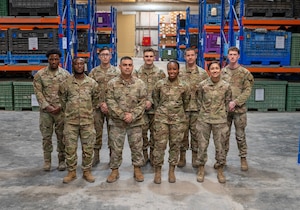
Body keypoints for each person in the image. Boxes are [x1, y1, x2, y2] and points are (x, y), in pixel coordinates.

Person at [106, 56, 147, 183]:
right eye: (125, 65)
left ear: (133, 67)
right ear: (120, 67)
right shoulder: (112, 83)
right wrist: (122, 115)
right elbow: (110, 101)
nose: (127, 67)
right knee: (116, 147)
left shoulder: (140, 83)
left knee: (136, 146)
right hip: (117, 122)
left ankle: (137, 169)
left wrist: (132, 115)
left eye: (130, 65)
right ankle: (114, 170)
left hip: (135, 122)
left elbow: (142, 102)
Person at [59, 58, 100, 183]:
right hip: (71, 122)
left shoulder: (92, 83)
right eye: (76, 64)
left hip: (87, 122)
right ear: (73, 66)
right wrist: (70, 112)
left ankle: (87, 171)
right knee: (70, 148)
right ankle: (71, 172)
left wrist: (87, 112)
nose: (79, 66)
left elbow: (96, 100)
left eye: (81, 64)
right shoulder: (66, 84)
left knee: (88, 148)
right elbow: (62, 100)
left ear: (84, 66)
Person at [152, 60, 190, 184]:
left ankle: (171, 170)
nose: (172, 71)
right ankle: (158, 171)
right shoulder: (160, 84)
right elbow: (156, 99)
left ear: (178, 70)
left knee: (175, 145)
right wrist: (162, 111)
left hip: (177, 120)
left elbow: (186, 101)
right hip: (161, 119)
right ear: (167, 70)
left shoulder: (184, 85)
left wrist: (178, 114)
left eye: (174, 69)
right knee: (159, 146)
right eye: (170, 69)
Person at [33, 49, 70, 172]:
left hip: (60, 112)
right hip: (46, 112)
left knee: (62, 137)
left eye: (56, 59)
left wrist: (60, 106)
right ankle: (47, 161)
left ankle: (62, 160)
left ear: (59, 60)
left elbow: (68, 93)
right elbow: (38, 92)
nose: (54, 61)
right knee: (46, 137)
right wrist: (47, 106)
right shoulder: (40, 75)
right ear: (48, 60)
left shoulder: (65, 75)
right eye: (51, 59)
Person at [195, 61, 232, 183]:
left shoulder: (226, 86)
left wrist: (222, 113)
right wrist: (203, 112)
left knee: (220, 145)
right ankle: (201, 168)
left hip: (220, 120)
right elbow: (198, 100)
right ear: (209, 71)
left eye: (217, 68)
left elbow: (227, 101)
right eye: (212, 68)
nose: (215, 70)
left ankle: (220, 168)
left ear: (220, 70)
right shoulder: (203, 85)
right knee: (202, 145)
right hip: (204, 119)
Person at [221, 46, 254, 171]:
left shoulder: (245, 73)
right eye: (230, 54)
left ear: (238, 56)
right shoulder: (223, 72)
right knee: (224, 135)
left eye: (235, 54)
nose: (233, 57)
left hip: (239, 110)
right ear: (228, 56)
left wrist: (236, 102)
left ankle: (243, 158)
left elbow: (247, 91)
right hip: (225, 110)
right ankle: (222, 159)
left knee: (240, 136)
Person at [133, 48, 166, 165]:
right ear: (143, 57)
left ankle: (153, 156)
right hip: (141, 111)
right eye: (146, 56)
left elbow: (164, 91)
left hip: (156, 110)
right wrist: (143, 103)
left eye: (151, 56)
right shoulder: (136, 73)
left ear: (154, 57)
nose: (149, 58)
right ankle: (144, 155)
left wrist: (151, 101)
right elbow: (134, 91)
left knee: (155, 134)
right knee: (142, 134)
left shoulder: (160, 73)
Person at [88, 47, 120, 167]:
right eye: (103, 55)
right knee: (96, 132)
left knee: (113, 133)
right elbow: (90, 90)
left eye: (107, 54)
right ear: (99, 57)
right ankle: (96, 157)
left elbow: (119, 91)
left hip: (112, 108)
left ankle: (112, 158)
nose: (105, 57)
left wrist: (110, 104)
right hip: (97, 108)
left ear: (111, 56)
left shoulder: (116, 72)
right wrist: (100, 103)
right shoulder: (94, 72)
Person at [177, 47, 208, 168]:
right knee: (182, 134)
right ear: (184, 57)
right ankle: (182, 157)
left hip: (197, 109)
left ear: (195, 56)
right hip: (183, 110)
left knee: (196, 134)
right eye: (187, 55)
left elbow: (206, 92)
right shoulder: (179, 73)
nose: (190, 57)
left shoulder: (203, 73)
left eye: (192, 55)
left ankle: (195, 157)